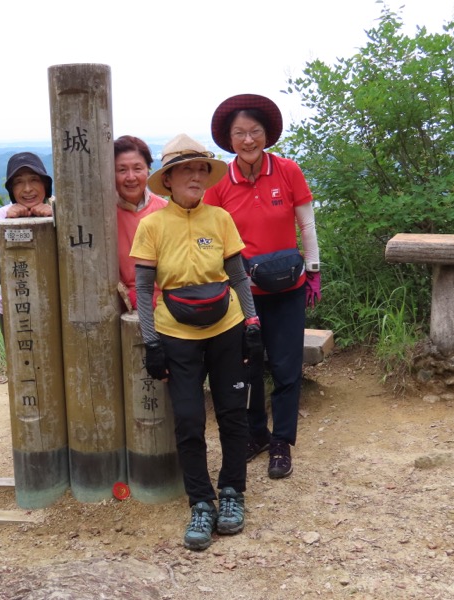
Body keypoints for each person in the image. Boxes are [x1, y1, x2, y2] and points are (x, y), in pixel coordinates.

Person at [130, 134, 263, 551]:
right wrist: (151, 343)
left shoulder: (219, 219)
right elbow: (143, 288)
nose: (195, 176)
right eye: (185, 169)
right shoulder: (152, 225)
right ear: (167, 180)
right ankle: (201, 502)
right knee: (188, 420)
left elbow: (238, 276)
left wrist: (253, 322)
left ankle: (232, 494)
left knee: (232, 414)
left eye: (201, 169)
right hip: (176, 335)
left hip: (227, 327)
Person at [204, 94, 322, 480]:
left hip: (288, 288)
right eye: (240, 133)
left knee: (286, 368)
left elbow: (306, 223)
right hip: (243, 293)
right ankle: (256, 434)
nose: (248, 139)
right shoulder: (220, 182)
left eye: (255, 131)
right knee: (248, 367)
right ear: (229, 138)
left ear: (266, 134)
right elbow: (209, 233)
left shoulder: (287, 170)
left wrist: (314, 269)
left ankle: (280, 443)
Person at [0, 152, 54, 330]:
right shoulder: (3, 215)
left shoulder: (59, 210)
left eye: (34, 180)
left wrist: (53, 218)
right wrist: (11, 223)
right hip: (14, 305)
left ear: (45, 184)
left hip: (54, 304)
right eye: (18, 182)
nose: (27, 189)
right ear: (11, 189)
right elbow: (8, 260)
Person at [114, 135, 167, 311]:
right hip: (123, 308)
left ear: (148, 171)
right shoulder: (104, 216)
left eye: (137, 168)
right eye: (122, 170)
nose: (130, 177)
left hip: (167, 305)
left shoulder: (166, 210)